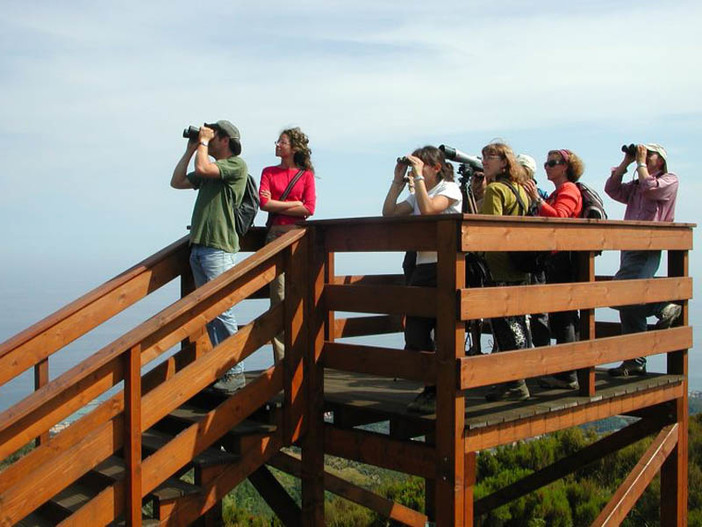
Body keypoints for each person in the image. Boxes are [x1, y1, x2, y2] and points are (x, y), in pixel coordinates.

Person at [382, 146, 462, 413]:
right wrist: (397, 179)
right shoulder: (418, 194)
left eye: (422, 164)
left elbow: (429, 211)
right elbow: (389, 213)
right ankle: (431, 387)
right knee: (415, 328)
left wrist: (416, 179)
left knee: (443, 330)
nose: (418, 168)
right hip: (422, 267)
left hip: (447, 266)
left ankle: (440, 390)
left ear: (436, 167)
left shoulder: (449, 189)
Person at [171, 120, 248, 393]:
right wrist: (192, 149)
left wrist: (202, 146)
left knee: (222, 308)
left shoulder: (236, 165)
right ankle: (222, 368)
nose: (209, 138)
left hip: (218, 247)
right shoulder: (208, 168)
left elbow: (203, 168)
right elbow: (177, 181)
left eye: (214, 135)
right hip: (200, 246)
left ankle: (235, 371)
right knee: (210, 311)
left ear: (225, 140)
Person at [605, 143, 680, 376]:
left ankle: (662, 305)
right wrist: (627, 163)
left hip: (649, 245)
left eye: (650, 154)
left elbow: (652, 189)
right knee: (629, 307)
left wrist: (640, 163)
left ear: (661, 159)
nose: (645, 157)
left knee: (622, 294)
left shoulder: (669, 179)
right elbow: (612, 189)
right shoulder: (636, 185)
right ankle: (635, 361)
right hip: (629, 246)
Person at [524, 149, 585, 389]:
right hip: (557, 258)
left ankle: (568, 374)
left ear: (566, 167)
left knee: (564, 317)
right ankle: (567, 371)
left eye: (553, 163)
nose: (547, 167)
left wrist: (538, 201)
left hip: (564, 258)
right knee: (562, 316)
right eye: (547, 163)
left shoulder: (569, 189)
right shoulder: (559, 191)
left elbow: (561, 217)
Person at [479, 142, 532, 401]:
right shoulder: (520, 191)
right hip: (519, 266)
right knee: (517, 322)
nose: (484, 161)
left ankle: (516, 382)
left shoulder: (496, 190)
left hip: (498, 265)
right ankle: (510, 380)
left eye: (491, 156)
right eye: (483, 157)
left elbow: (487, 230)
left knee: (502, 325)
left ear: (504, 162)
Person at [259, 127, 316, 363]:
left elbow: (310, 209)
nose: (277, 145)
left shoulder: (306, 175)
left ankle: (303, 355)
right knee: (279, 298)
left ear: (293, 148)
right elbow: (263, 204)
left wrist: (277, 204)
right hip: (275, 237)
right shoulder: (268, 171)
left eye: (281, 142)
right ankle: (283, 362)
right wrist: (295, 204)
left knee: (301, 294)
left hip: (297, 238)